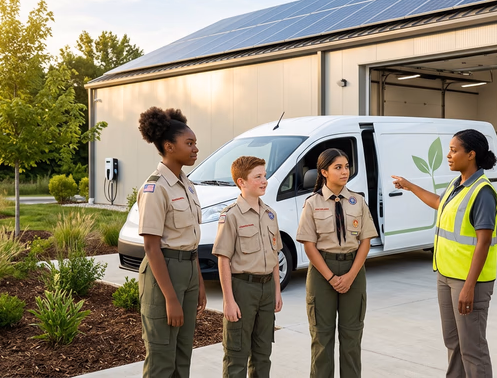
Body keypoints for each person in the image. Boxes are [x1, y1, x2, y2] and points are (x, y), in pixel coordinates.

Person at [392, 129, 497, 378]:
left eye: (453, 150)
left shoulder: (482, 192)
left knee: (472, 348)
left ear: (471, 154)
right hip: (446, 276)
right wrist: (409, 185)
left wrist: (469, 286)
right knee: (453, 343)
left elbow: (483, 242)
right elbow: (438, 203)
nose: (448, 155)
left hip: (469, 281)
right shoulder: (457, 183)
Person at [136, 107, 207, 378]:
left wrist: (198, 281)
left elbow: (190, 240)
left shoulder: (186, 185)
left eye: (195, 143)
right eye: (189, 143)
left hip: (188, 271)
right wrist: (170, 298)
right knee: (162, 359)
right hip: (163, 273)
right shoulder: (155, 188)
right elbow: (152, 248)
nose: (195, 148)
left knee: (182, 355)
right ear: (168, 146)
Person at [296, 148, 378, 378]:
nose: (345, 171)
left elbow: (365, 241)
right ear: (324, 172)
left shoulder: (358, 201)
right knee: (321, 339)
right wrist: (331, 277)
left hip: (354, 269)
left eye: (346, 166)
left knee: (352, 338)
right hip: (322, 272)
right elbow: (309, 246)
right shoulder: (312, 203)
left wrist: (351, 275)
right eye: (338, 167)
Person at [213, 156, 283, 378]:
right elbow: (223, 258)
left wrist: (276, 291)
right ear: (241, 182)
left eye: (264, 175)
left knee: (263, 353)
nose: (264, 180)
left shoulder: (270, 214)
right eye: (258, 177)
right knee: (237, 354)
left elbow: (274, 256)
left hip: (266, 291)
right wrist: (228, 300)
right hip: (242, 289)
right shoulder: (231, 215)